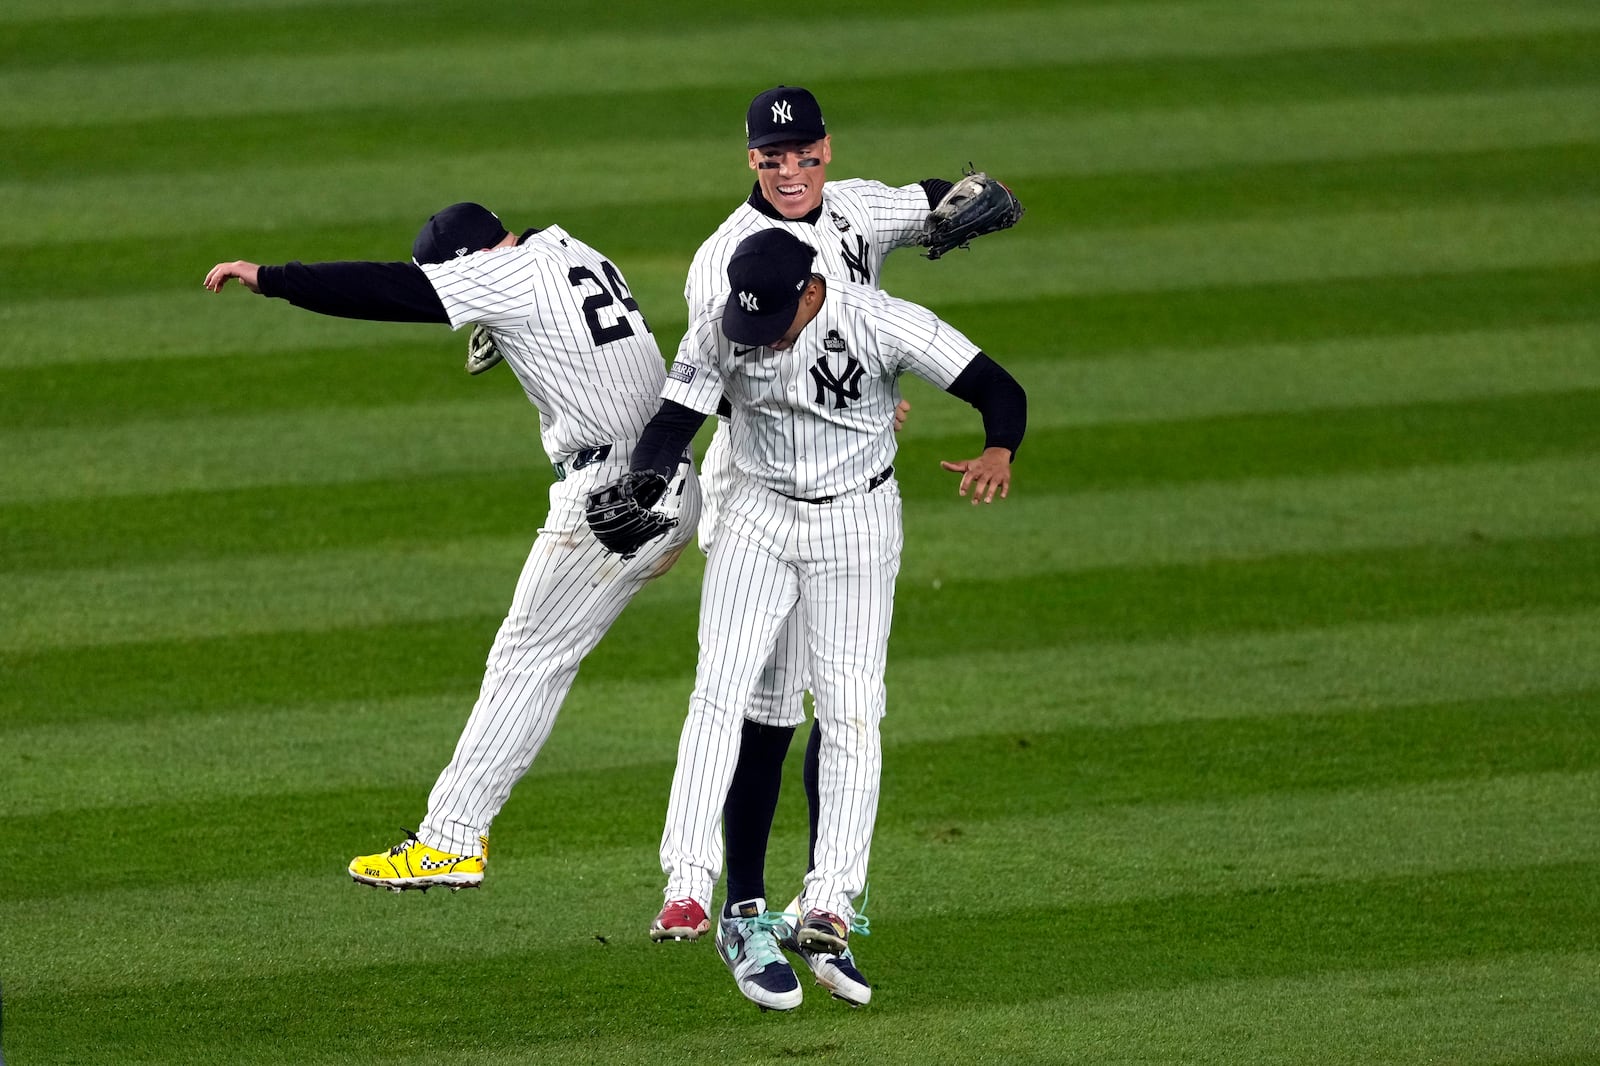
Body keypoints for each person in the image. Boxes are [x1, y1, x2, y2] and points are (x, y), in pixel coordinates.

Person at [647, 84, 1023, 1009]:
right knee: (741, 695)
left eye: (802, 154)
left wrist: (960, 196)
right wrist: (653, 485)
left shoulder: (859, 238)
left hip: (856, 510)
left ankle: (829, 909)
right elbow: (697, 403)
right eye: (769, 159)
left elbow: (933, 214)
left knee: (849, 710)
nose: (788, 171)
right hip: (760, 494)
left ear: (822, 151)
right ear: (750, 162)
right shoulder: (720, 282)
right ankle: (708, 894)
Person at [203, 202, 700, 890]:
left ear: (469, 266)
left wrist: (271, 277)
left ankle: (450, 840)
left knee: (528, 659)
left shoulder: (502, 274)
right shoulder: (568, 250)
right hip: (663, 474)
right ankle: (452, 836)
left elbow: (388, 290)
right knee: (538, 654)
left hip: (617, 492)